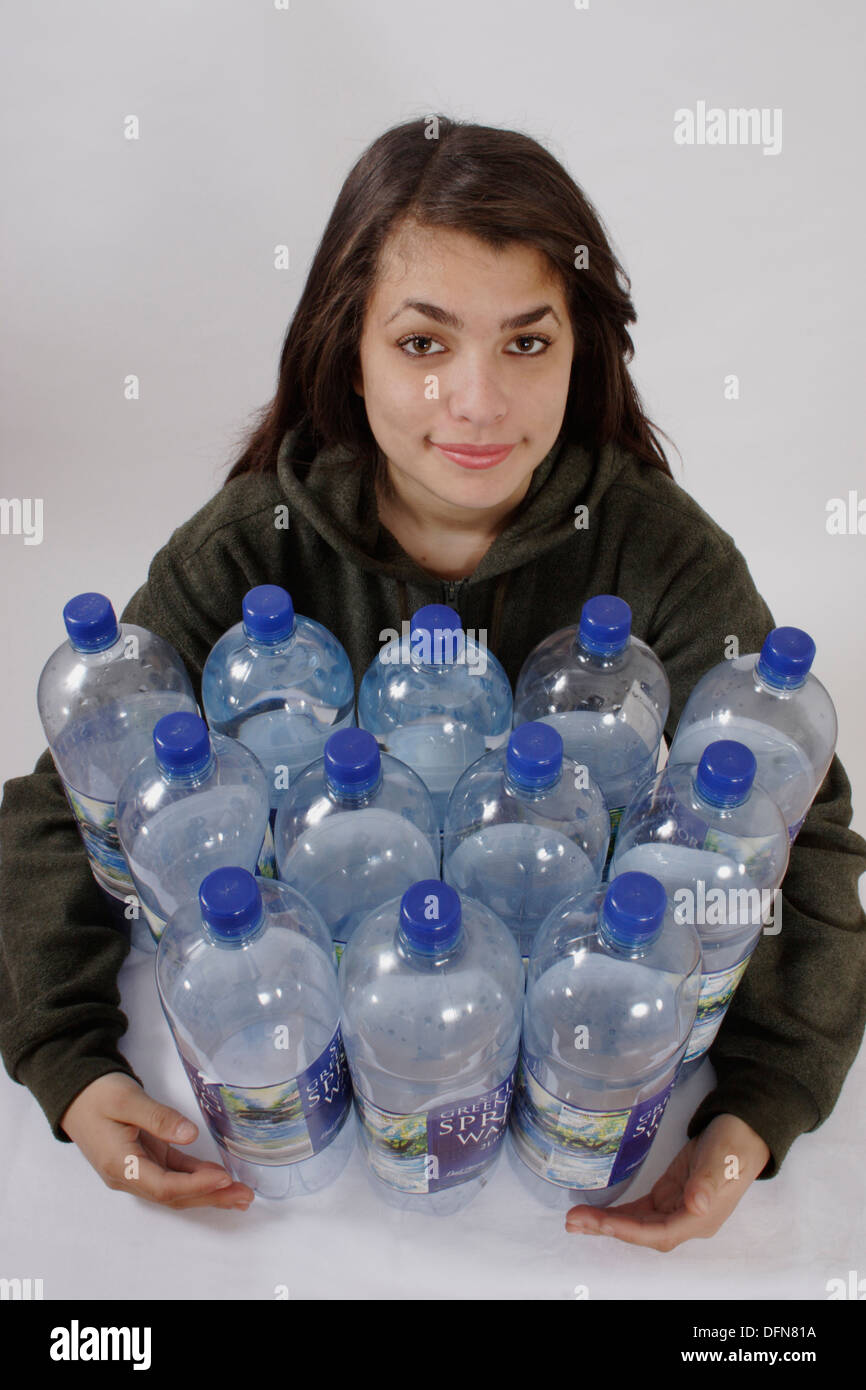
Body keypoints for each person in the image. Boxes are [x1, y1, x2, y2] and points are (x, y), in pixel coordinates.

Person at [2, 115, 864, 1250]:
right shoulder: (257, 541)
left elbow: (801, 831)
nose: (476, 402)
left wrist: (759, 1105)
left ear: (581, 350)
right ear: (345, 349)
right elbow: (70, 802)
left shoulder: (651, 549)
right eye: (421, 344)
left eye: (525, 343)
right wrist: (67, 1064)